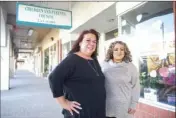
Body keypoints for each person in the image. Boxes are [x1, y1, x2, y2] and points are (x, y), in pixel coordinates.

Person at [48, 29, 106, 118]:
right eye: (88, 40)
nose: (92, 43)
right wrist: (64, 103)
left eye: (94, 41)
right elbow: (54, 78)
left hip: (97, 111)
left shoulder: (94, 60)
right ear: (80, 43)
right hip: (80, 113)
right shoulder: (72, 59)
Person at [101, 41, 140, 118]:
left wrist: (134, 104)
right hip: (106, 107)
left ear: (125, 51)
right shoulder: (103, 65)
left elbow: (136, 87)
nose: (119, 52)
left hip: (125, 107)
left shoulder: (131, 67)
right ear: (111, 51)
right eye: (116, 49)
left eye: (122, 49)